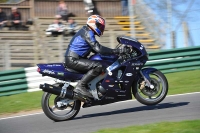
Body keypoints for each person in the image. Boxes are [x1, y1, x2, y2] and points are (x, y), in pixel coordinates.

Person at [65, 15, 130, 98]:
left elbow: (95, 49)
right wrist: (116, 51)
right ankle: (80, 86)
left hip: (74, 58)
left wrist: (112, 53)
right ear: (93, 24)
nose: (100, 28)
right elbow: (98, 48)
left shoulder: (86, 31)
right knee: (98, 66)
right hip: (73, 59)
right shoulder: (88, 32)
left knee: (98, 61)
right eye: (99, 26)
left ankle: (92, 88)